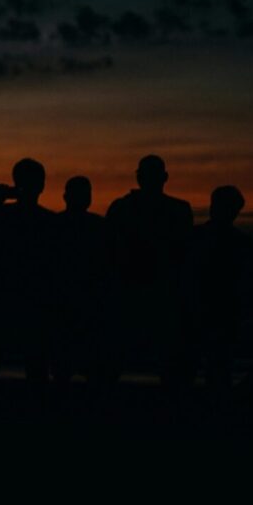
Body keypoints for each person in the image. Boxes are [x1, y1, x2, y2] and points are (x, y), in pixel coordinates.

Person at [105, 155, 193, 388]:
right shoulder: (179, 211)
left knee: (116, 362)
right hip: (149, 294)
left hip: (143, 293)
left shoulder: (122, 208)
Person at [0, 158, 55, 387]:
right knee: (33, 364)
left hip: (2, 295)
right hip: (31, 298)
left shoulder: (2, 214)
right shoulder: (49, 221)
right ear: (42, 186)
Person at [189, 185, 253, 392]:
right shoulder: (243, 244)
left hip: (201, 311)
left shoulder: (194, 238)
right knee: (218, 366)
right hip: (221, 313)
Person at [50, 176, 109, 387]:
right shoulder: (100, 226)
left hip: (68, 301)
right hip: (83, 301)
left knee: (63, 368)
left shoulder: (53, 225)